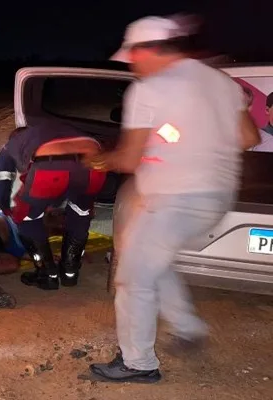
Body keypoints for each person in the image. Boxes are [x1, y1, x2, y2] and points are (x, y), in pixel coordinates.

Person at [85, 16, 261, 383]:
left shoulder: (148, 90)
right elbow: (248, 137)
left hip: (171, 201)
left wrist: (101, 158)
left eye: (132, 55)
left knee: (132, 279)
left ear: (148, 50)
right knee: (152, 259)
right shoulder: (219, 81)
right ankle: (186, 325)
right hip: (214, 199)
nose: (131, 64)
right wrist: (198, 142)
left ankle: (138, 363)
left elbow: (130, 159)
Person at [0, 122, 107, 290]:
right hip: (94, 165)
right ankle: (70, 273)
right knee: (80, 213)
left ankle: (47, 275)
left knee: (26, 218)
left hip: (50, 168)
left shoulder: (12, 144)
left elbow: (2, 181)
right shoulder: (55, 130)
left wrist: (5, 208)